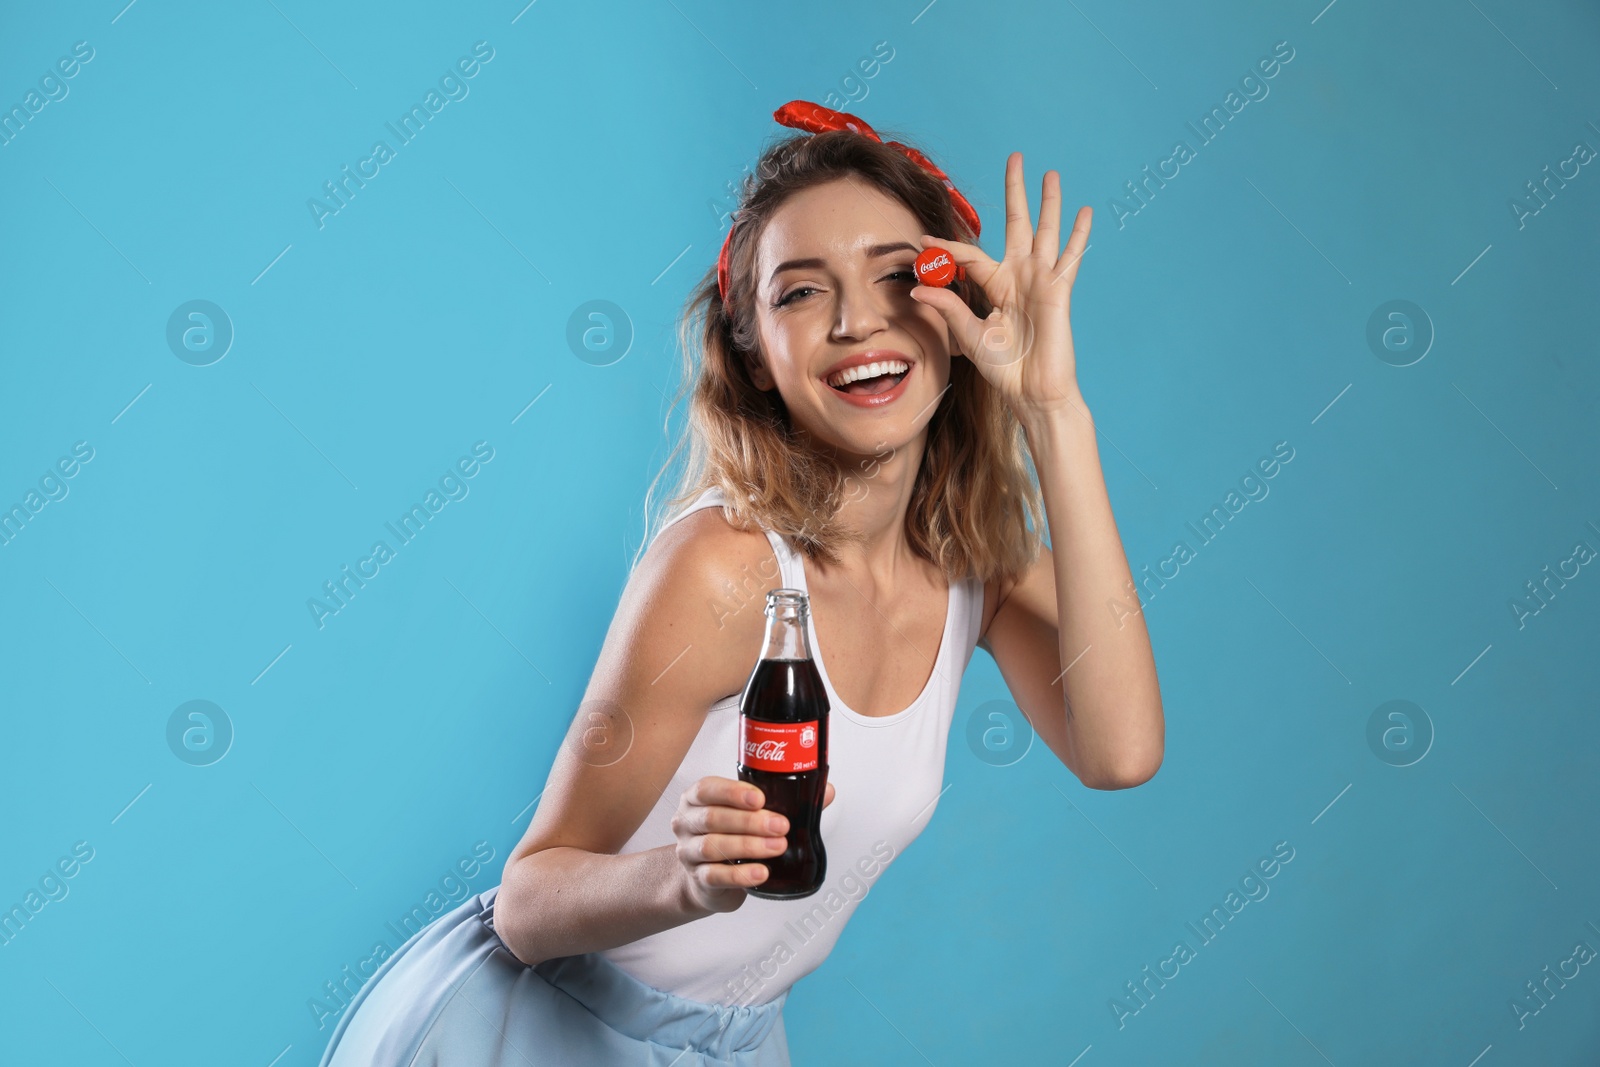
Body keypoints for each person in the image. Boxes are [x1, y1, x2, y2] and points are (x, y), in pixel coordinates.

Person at [317, 99, 1163, 1067]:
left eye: (896, 275)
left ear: (959, 310)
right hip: (531, 1032)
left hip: (734, 1042)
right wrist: (681, 877)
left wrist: (1053, 408)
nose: (854, 321)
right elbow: (527, 900)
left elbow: (1120, 750)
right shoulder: (726, 569)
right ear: (755, 353)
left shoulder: (975, 561)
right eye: (799, 293)